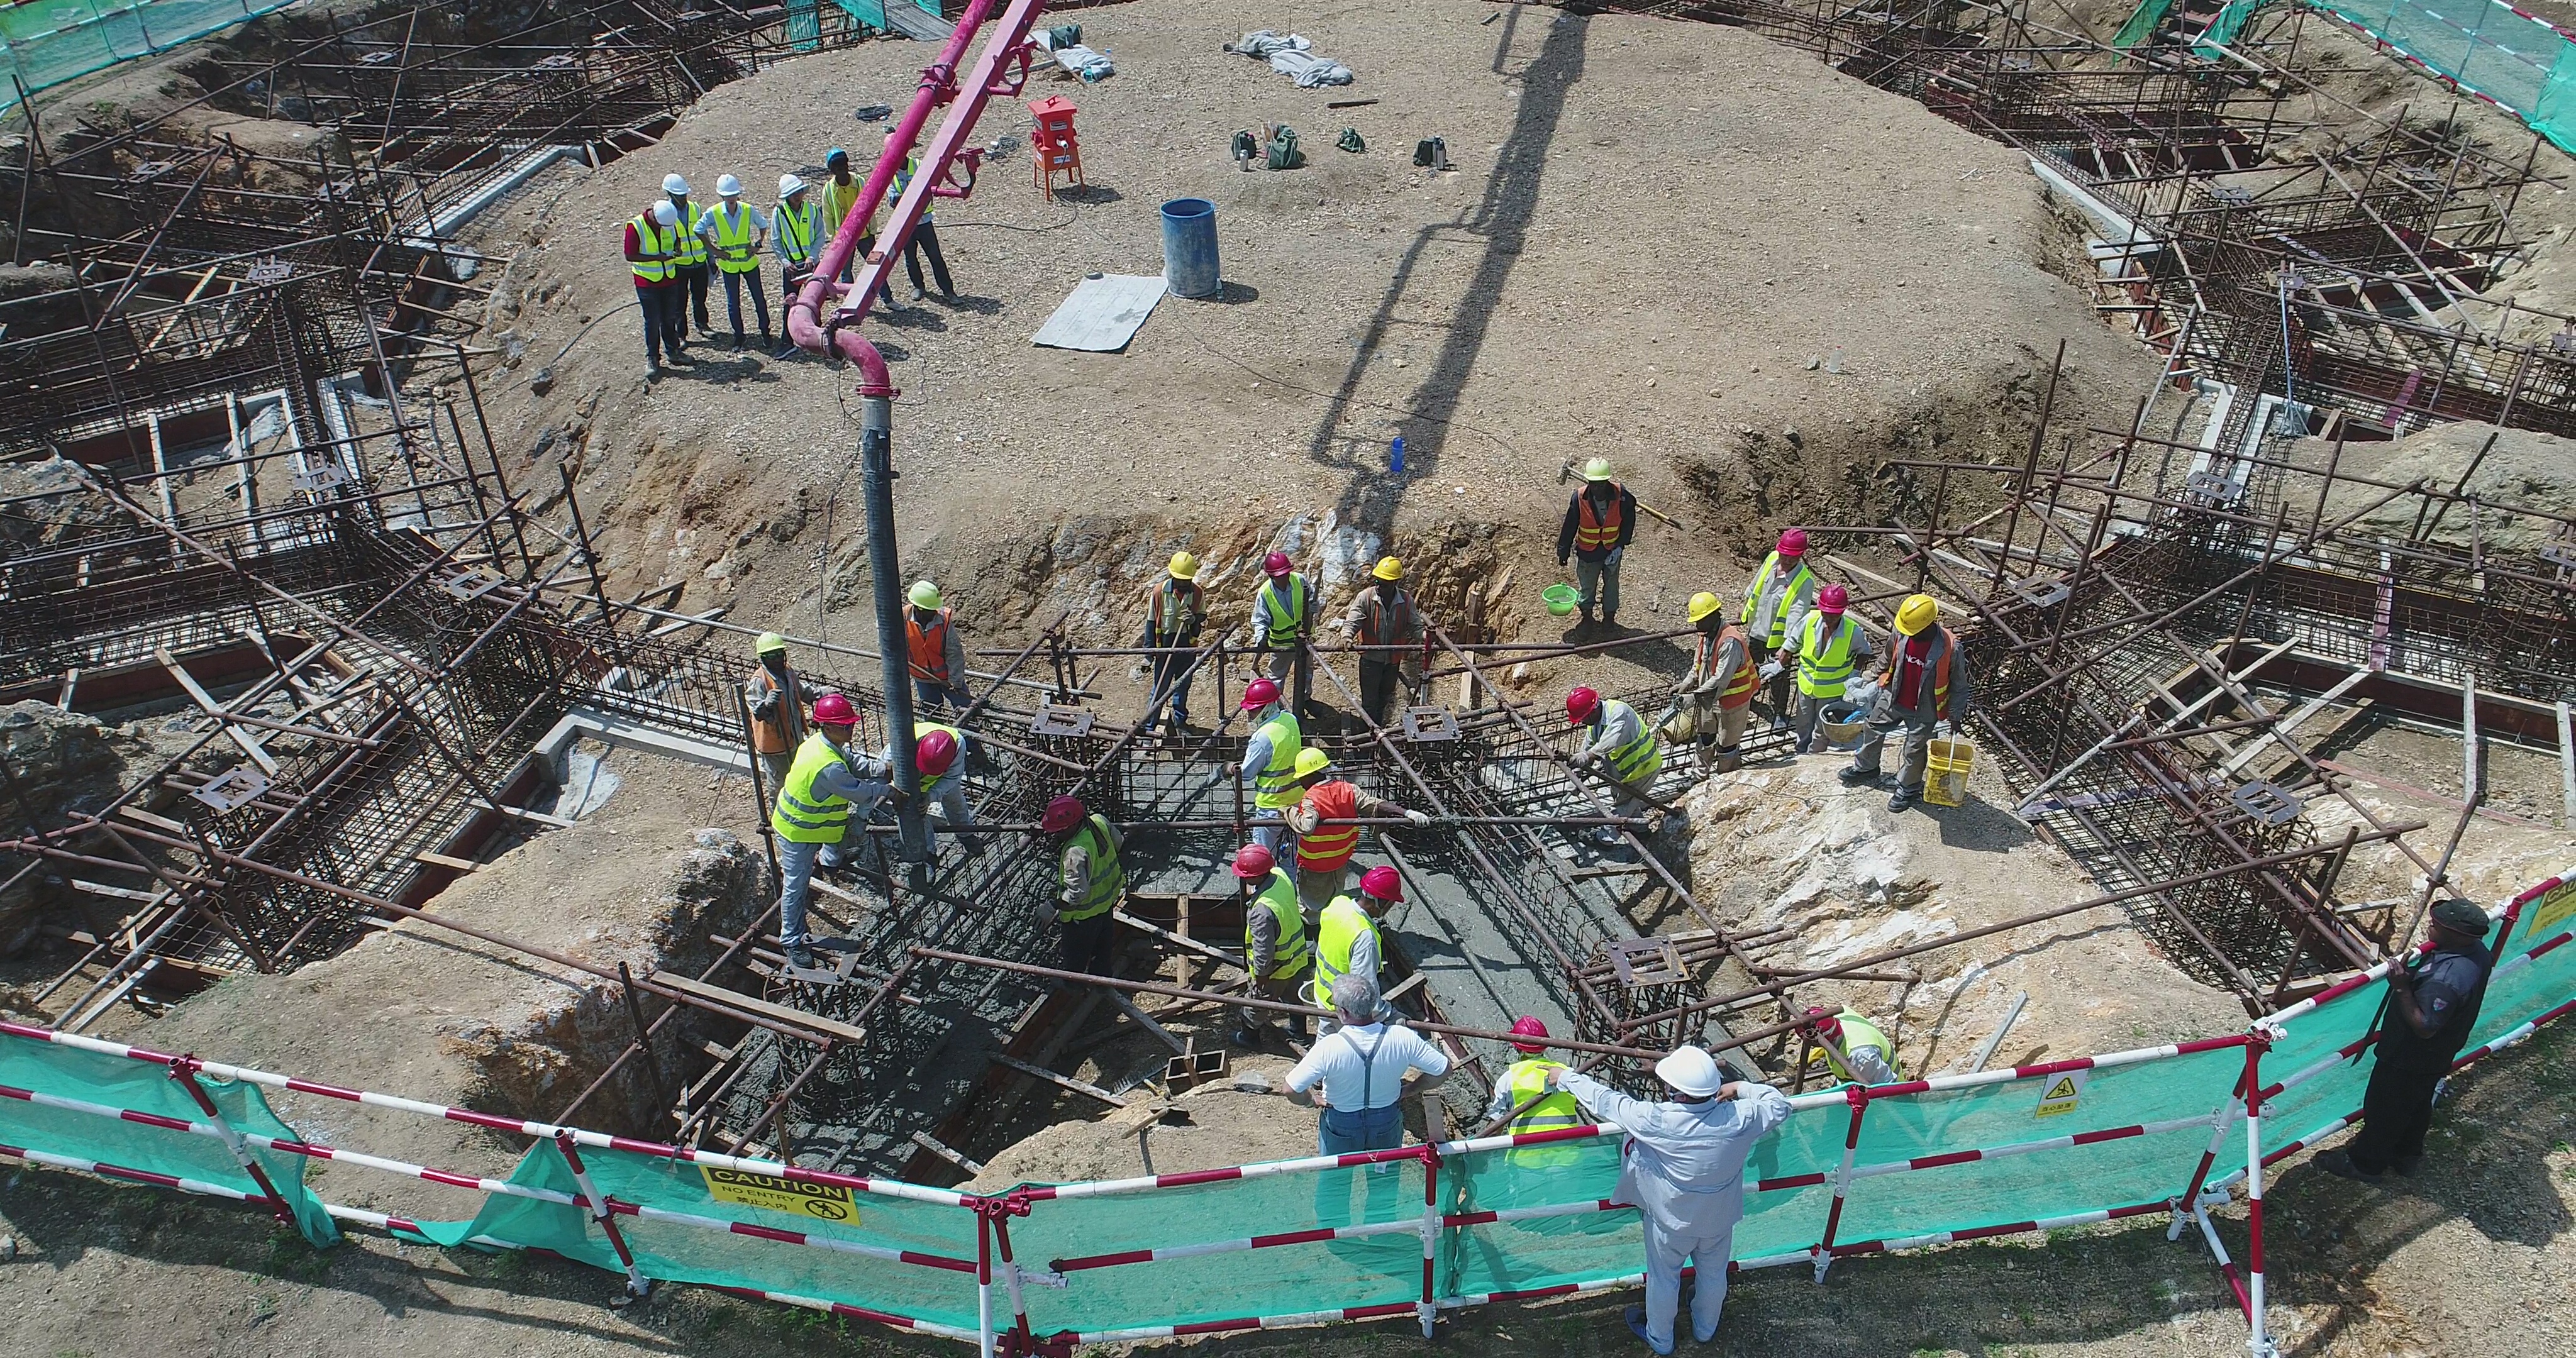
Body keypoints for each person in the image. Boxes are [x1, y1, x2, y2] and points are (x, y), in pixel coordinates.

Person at [1550, 1048, 1792, 1354]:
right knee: (1714, 1274)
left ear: (1673, 1091)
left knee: (1664, 1280)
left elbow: (1607, 1101)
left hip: (1671, 1223)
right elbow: (1780, 1105)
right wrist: (1740, 1088)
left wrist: (1566, 1078)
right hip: (1720, 1218)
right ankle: (1705, 1330)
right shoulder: (1742, 1118)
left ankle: (1661, 1340)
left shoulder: (1657, 1120)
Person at [2318, 898, 2497, 1183]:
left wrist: (2402, 987)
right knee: (2416, 1104)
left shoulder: (2447, 978)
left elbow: (2425, 1025)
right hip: (2439, 1054)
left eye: (2437, 925)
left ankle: (2367, 1164)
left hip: (2409, 1055)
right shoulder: (2477, 954)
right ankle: (2406, 1156)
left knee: (2384, 1108)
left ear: (2459, 935)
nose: (2431, 925)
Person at [769, 693, 892, 969]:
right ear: (827, 726)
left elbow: (856, 764)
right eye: (845, 725)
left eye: (851, 724)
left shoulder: (822, 744)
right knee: (796, 886)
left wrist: (884, 768)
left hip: (815, 827)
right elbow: (860, 792)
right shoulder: (829, 765)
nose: (850, 729)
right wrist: (889, 790)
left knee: (834, 844)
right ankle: (791, 940)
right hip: (797, 832)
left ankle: (830, 862)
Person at [1287, 973, 1451, 1153]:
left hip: (1342, 1121)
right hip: (1386, 1119)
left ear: (1343, 1011)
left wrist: (1311, 1101)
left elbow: (1290, 1089)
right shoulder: (1401, 1038)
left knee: (1336, 1180)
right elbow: (1442, 1070)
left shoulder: (1330, 1047)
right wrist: (1408, 1091)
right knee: (1383, 1179)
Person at [1843, 592, 1970, 812]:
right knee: (1873, 727)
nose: (1909, 633)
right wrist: (1869, 678)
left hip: (1925, 708)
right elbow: (1887, 656)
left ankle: (1908, 787)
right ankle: (1866, 768)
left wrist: (1956, 716)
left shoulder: (1950, 647)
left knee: (1914, 749)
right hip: (1894, 696)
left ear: (1929, 623)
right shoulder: (1903, 631)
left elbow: (1960, 684)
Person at [1282, 749, 1428, 918]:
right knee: (1334, 901)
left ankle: (1315, 935)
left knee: (1311, 908)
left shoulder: (1311, 797)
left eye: (1302, 777)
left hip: (1316, 867)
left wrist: (1287, 811)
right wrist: (1407, 813)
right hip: (1340, 861)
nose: (1300, 782)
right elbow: (1376, 804)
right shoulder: (1349, 790)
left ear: (1313, 774)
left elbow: (1307, 827)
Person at [1772, 583, 1871, 756]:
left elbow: (1864, 653)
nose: (1828, 617)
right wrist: (1779, 664)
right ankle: (1801, 752)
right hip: (1806, 686)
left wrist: (1855, 674)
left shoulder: (1852, 631)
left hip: (1831, 691)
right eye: (1825, 612)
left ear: (1842, 611)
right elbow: (1792, 643)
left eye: (1833, 614)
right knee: (1803, 724)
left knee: (1821, 729)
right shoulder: (1810, 620)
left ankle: (1814, 757)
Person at [1231, 843, 1313, 1048]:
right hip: (1296, 958)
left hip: (1275, 969)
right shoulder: (1280, 875)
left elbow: (1263, 950)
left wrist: (1261, 977)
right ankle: (1299, 1034)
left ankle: (1249, 1038)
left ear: (1255, 876)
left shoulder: (1262, 911)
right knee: (1294, 998)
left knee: (1256, 1002)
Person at [1738, 529, 1819, 729]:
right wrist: (1747, 605)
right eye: (1784, 554)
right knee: (1750, 667)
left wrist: (1787, 650)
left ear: (1801, 555)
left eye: (1793, 557)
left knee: (1779, 678)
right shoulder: (1773, 559)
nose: (1787, 560)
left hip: (1778, 640)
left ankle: (1779, 714)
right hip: (1756, 630)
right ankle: (1749, 698)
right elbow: (1755, 585)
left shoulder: (1804, 581)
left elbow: (1796, 617)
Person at [1674, 591, 1758, 774]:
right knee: (1705, 737)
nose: (1697, 626)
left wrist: (1692, 698)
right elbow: (1699, 664)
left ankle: (1724, 778)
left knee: (1727, 744)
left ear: (1713, 616)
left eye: (1700, 620)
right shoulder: (1706, 635)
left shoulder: (1730, 642)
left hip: (1733, 702)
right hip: (1709, 700)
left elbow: (1721, 680)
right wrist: (1687, 682)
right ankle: (1699, 776)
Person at [1565, 685, 1662, 842]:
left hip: (1643, 768)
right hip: (1626, 772)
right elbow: (1586, 749)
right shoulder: (1595, 723)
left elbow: (1608, 742)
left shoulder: (1619, 713)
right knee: (1626, 800)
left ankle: (1605, 838)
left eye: (1582, 718)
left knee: (1621, 806)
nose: (1582, 722)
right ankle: (1641, 830)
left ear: (1593, 711)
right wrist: (1575, 778)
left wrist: (1588, 756)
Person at [1311, 865, 1402, 1022]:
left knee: (1325, 1039)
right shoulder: (1365, 937)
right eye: (1391, 904)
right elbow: (1364, 988)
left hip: (1322, 994)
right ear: (1382, 903)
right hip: (1344, 1010)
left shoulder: (1338, 904)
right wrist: (1386, 1015)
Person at [1557, 458, 1638, 634]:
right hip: (1588, 553)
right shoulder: (1579, 498)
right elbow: (1570, 525)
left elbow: (1629, 519)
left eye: (1601, 484)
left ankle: (1609, 619)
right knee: (1587, 587)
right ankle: (1587, 618)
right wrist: (1563, 551)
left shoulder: (1622, 496)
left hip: (1611, 550)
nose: (1597, 489)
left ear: (1607, 481)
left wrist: (1621, 545)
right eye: (1593, 484)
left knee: (1612, 586)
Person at [1042, 795, 1122, 975]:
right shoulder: (1099, 821)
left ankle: (1074, 985)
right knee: (1103, 946)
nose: (1056, 835)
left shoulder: (1075, 853)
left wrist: (1053, 906)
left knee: (1076, 954)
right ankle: (1102, 978)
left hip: (1083, 915)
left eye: (1060, 831)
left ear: (1072, 826)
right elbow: (1119, 843)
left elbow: (1077, 895)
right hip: (1107, 900)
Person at [1340, 556, 1423, 727]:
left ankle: (1378, 727)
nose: (1378, 586)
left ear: (1394, 583)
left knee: (1385, 697)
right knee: (1370, 702)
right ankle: (1368, 733)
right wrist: (1346, 636)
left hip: (1393, 661)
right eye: (1377, 581)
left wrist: (1426, 637)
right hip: (1371, 660)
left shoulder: (1406, 601)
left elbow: (1415, 626)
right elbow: (1352, 621)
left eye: (1383, 583)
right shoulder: (1366, 597)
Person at [696, 174, 771, 351]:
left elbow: (763, 224)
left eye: (733, 195)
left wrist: (758, 244)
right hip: (729, 265)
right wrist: (713, 251)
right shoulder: (713, 212)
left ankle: (765, 333)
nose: (731, 198)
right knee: (733, 302)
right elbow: (698, 229)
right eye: (727, 195)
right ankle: (739, 336)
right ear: (721, 196)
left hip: (749, 263)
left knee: (759, 299)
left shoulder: (747, 209)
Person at [819, 146, 896, 309]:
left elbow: (871, 204)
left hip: (865, 235)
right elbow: (828, 215)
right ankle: (851, 305)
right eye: (837, 167)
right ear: (832, 170)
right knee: (846, 272)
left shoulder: (859, 181)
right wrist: (835, 238)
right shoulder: (828, 189)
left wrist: (872, 230)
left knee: (876, 267)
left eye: (843, 165)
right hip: (844, 239)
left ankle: (887, 299)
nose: (841, 170)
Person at [886, 126, 957, 300]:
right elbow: (894, 200)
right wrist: (915, 193)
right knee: (911, 257)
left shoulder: (918, 165)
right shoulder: (889, 174)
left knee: (935, 257)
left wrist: (910, 196)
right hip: (905, 224)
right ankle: (919, 287)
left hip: (924, 221)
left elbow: (928, 189)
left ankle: (948, 291)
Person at [1140, 551, 1204, 734]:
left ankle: (1180, 722)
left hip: (1187, 649)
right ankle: (1150, 726)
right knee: (1160, 690)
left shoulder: (1197, 593)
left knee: (1183, 687)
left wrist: (1193, 620)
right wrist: (1148, 655)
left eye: (1187, 580)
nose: (1183, 584)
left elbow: (1202, 617)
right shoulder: (1159, 593)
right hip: (1165, 650)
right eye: (1180, 580)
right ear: (1172, 575)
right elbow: (1151, 624)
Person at [1482, 1017, 1583, 1134]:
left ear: (1517, 1048)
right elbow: (1589, 1096)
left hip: (1525, 1150)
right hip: (1566, 1149)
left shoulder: (1508, 1079)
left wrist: (1475, 1144)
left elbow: (1496, 1125)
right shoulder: (1565, 1073)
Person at [1235, 677, 1301, 856]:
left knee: (1264, 858)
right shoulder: (1290, 720)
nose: (1250, 714)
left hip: (1271, 808)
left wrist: (1230, 769)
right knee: (1290, 858)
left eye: (1254, 710)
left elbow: (1246, 774)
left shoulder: (1262, 737)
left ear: (1266, 707)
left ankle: (1267, 885)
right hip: (1296, 804)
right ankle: (1288, 884)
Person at [1251, 551, 1320, 720]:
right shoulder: (1265, 593)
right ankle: (1274, 707)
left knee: (1306, 670)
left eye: (1285, 574)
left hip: (1304, 639)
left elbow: (1312, 599)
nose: (1284, 578)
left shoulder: (1299, 580)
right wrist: (1261, 637)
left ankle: (1305, 699)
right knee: (1277, 676)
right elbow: (1260, 620)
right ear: (1271, 576)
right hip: (1282, 643)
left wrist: (1314, 606)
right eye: (1280, 575)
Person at [622, 200, 687, 378]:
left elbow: (676, 239)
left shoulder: (669, 222)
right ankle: (653, 357)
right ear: (654, 218)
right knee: (652, 321)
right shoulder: (636, 227)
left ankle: (673, 351)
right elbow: (630, 255)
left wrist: (677, 249)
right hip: (647, 283)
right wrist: (656, 258)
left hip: (669, 279)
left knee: (669, 317)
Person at [742, 632, 806, 792]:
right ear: (763, 658)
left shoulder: (788, 672)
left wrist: (822, 693)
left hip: (795, 739)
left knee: (799, 780)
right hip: (775, 746)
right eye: (771, 656)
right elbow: (758, 712)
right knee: (780, 786)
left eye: (779, 654)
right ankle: (777, 816)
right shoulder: (759, 681)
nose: (777, 659)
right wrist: (767, 704)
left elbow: (801, 692)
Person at [901, 724, 972, 856]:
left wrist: (931, 795)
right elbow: (882, 774)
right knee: (916, 816)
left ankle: (966, 834)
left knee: (955, 802)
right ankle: (928, 855)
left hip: (939, 781)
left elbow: (952, 778)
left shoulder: (958, 745)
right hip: (908, 787)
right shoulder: (901, 746)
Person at [904, 580, 972, 713]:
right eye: (932, 610)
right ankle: (935, 734)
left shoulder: (943, 619)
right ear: (920, 609)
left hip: (947, 677)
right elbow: (886, 634)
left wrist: (956, 681)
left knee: (965, 709)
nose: (936, 612)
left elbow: (954, 652)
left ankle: (970, 732)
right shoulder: (902, 617)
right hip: (922, 677)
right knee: (932, 713)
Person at [662, 174, 714, 336]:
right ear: (670, 194)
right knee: (679, 302)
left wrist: (710, 258)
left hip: (698, 261)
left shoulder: (695, 208)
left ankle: (702, 325)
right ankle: (681, 335)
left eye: (684, 194)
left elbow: (704, 234)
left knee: (700, 297)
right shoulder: (665, 213)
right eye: (679, 195)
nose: (683, 198)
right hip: (679, 265)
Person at [772, 173, 825, 330]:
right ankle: (787, 340)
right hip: (792, 268)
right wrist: (785, 262)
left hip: (812, 266)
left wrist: (812, 256)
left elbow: (820, 236)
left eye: (799, 192)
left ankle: (817, 337)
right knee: (790, 302)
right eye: (792, 194)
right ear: (787, 196)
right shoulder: (779, 213)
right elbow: (776, 241)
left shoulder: (813, 210)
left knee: (815, 303)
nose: (797, 196)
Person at [1802, 1006, 1900, 1085]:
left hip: (1883, 1091)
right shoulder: (1841, 1015)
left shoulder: (1860, 1056)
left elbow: (1886, 1088)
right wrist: (1816, 1054)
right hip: (1850, 1081)